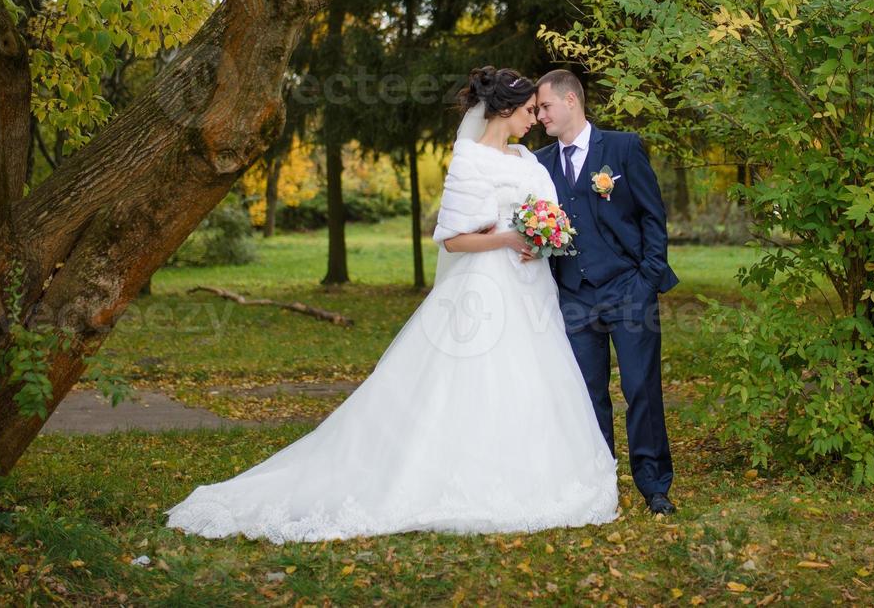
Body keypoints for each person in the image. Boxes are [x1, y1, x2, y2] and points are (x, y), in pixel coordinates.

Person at [164, 66, 619, 542]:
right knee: (475, 380)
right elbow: (454, 240)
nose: (534, 120)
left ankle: (536, 475)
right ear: (504, 109)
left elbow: (548, 217)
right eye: (528, 110)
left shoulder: (529, 159)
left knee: (533, 382)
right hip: (485, 289)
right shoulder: (470, 160)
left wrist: (541, 240)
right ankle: (458, 477)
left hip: (531, 287)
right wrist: (508, 238)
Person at [534, 69, 678, 516]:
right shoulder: (539, 164)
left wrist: (648, 277)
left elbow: (653, 216)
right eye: (537, 110)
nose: (539, 117)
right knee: (587, 395)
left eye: (544, 107)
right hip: (574, 295)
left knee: (641, 389)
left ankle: (654, 487)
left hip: (628, 289)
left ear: (571, 100)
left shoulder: (622, 148)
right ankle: (598, 485)